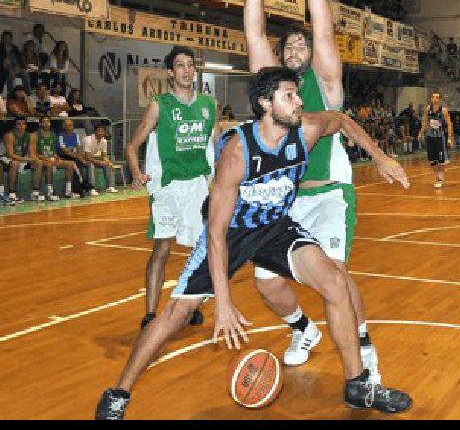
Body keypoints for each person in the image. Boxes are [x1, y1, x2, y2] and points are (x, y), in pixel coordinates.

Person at [95, 68, 413, 419]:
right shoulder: (238, 151)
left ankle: (358, 384)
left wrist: (379, 156)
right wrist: (224, 302)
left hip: (274, 227)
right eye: (289, 95)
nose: (299, 101)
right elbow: (216, 235)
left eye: (297, 94)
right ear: (265, 103)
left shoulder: (304, 131)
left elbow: (339, 120)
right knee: (177, 313)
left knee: (336, 283)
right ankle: (118, 393)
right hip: (231, 232)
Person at [245, 0, 387, 381]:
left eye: (301, 44)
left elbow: (324, 30)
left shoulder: (325, 87)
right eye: (289, 46)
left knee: (335, 276)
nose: (295, 48)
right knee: (266, 284)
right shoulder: (276, 92)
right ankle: (302, 329)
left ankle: (364, 351)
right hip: (284, 201)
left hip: (328, 195)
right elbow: (254, 35)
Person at [126, 46, 216, 331]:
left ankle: (192, 304)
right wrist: (136, 172)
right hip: (166, 186)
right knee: (162, 247)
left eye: (190, 65)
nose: (186, 70)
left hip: (198, 186)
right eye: (180, 65)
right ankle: (151, 314)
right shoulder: (159, 105)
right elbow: (132, 146)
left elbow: (213, 147)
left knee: (204, 249)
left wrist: (218, 182)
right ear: (170, 72)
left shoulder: (208, 104)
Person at [31, 116, 79, 200]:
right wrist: (46, 158)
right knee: (49, 164)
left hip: (50, 159)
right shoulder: (35, 135)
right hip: (39, 160)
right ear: (40, 123)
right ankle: (49, 193)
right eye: (44, 122)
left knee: (70, 164)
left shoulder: (53, 135)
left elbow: (53, 152)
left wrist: (57, 157)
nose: (46, 124)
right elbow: (34, 154)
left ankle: (68, 191)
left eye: (48, 122)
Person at [3, 117, 45, 202]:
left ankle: (35, 193)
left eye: (23, 124)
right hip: (6, 159)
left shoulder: (30, 136)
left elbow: (32, 153)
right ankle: (12, 194)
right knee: (14, 163)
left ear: (26, 126)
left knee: (39, 162)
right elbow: (10, 155)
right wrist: (27, 159)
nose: (21, 126)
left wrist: (34, 159)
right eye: (19, 124)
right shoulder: (9, 135)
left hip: (21, 159)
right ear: (15, 126)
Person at [418, 92, 453, 189]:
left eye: (437, 97)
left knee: (441, 160)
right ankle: (437, 175)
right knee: (432, 160)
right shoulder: (428, 109)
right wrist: (420, 133)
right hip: (430, 136)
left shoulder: (444, 110)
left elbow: (449, 124)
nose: (435, 99)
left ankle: (440, 179)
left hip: (440, 137)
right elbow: (425, 122)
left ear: (440, 99)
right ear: (431, 98)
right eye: (433, 97)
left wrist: (449, 138)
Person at [81, 124, 117, 196]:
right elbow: (87, 157)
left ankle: (109, 186)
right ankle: (92, 189)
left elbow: (104, 155)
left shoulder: (104, 141)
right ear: (95, 132)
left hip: (92, 157)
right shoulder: (88, 140)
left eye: (102, 131)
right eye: (99, 131)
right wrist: (100, 162)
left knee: (106, 164)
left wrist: (107, 161)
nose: (101, 133)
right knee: (91, 165)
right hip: (81, 159)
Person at [57, 118, 87, 197]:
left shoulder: (76, 135)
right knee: (74, 165)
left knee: (84, 164)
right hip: (64, 157)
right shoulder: (61, 136)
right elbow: (65, 150)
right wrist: (76, 156)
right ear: (64, 126)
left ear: (73, 126)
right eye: (67, 125)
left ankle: (85, 186)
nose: (69, 127)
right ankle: (77, 189)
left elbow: (79, 147)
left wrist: (80, 157)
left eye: (70, 125)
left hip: (74, 156)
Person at [0, 31, 24, 97]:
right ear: (2, 38)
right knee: (10, 72)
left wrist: (17, 66)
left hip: (14, 67)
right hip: (3, 68)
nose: (6, 40)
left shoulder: (15, 48)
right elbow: (3, 61)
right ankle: (11, 93)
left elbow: (19, 59)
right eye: (5, 38)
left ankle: (27, 93)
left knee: (24, 72)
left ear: (11, 40)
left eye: (8, 38)